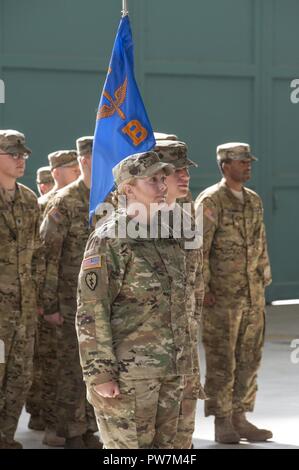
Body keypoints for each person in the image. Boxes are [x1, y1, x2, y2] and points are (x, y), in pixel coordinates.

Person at [76, 150, 199, 449]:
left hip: (173, 369)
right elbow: (92, 310)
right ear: (128, 188)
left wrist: (188, 366)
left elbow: (183, 303)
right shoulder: (111, 237)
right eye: (151, 180)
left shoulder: (170, 233)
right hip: (131, 376)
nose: (161, 186)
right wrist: (100, 373)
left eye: (162, 179)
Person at [195, 142, 273, 444]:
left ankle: (241, 416)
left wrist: (263, 279)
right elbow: (198, 248)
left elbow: (260, 243)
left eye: (248, 160)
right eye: (241, 161)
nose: (247, 165)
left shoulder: (253, 200)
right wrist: (204, 288)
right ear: (225, 165)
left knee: (249, 358)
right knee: (221, 360)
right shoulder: (211, 201)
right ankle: (222, 421)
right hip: (222, 298)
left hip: (252, 295)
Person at [40, 137, 100, 449]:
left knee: (95, 366)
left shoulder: (108, 198)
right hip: (67, 301)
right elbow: (47, 256)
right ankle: (71, 430)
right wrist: (49, 304)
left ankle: (90, 427)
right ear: (85, 161)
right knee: (69, 370)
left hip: (98, 302)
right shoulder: (64, 201)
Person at [27, 150, 80, 447]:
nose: (76, 171)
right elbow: (42, 257)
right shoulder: (50, 205)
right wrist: (45, 301)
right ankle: (49, 420)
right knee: (50, 363)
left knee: (69, 365)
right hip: (54, 297)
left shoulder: (84, 201)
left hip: (73, 299)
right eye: (71, 167)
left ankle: (70, 423)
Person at [155, 138, 206, 449]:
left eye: (186, 169)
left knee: (182, 438)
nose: (184, 176)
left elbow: (193, 283)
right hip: (149, 356)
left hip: (183, 347)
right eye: (176, 170)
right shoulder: (131, 224)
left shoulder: (186, 218)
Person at [0, 129, 44, 449]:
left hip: (24, 307)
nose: (20, 160)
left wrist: (39, 297)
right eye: (13, 154)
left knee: (20, 375)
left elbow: (37, 253)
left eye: (23, 155)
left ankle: (5, 435)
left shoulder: (29, 200)